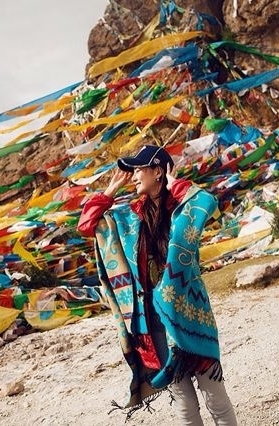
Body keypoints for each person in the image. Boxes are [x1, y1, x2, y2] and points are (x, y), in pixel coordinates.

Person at [78, 145, 237, 425]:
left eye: (140, 169)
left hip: (190, 317)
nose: (135, 175)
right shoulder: (128, 218)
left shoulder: (182, 209)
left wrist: (178, 186)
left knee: (216, 398)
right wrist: (111, 189)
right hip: (154, 325)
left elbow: (207, 204)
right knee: (185, 406)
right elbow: (88, 224)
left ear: (158, 172)